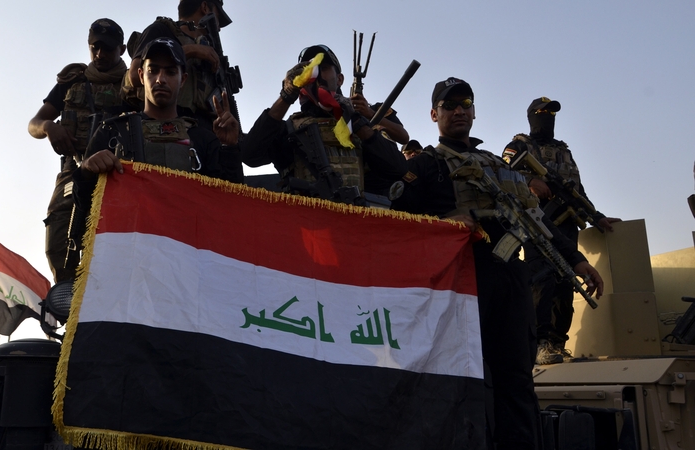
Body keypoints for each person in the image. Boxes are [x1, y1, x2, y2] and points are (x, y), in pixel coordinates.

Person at [387, 77, 604, 449]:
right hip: (461, 281)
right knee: (462, 377)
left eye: (465, 104)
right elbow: (393, 221)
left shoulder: (495, 164)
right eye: (449, 105)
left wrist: (576, 259)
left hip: (508, 278)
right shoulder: (426, 166)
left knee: (516, 378)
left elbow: (535, 216)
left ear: (474, 112)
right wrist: (443, 225)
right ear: (433, 114)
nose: (459, 111)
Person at [503, 97, 621, 365]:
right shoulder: (519, 145)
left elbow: (577, 191)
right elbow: (502, 174)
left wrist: (597, 217)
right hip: (537, 222)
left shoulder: (563, 151)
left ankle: (556, 343)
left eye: (551, 113)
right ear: (532, 116)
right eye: (542, 113)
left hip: (566, 224)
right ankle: (538, 344)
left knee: (566, 283)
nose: (547, 117)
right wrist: (530, 180)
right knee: (541, 280)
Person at [73, 37, 241, 218]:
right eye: (153, 71)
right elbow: (84, 207)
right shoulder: (112, 132)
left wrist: (228, 148)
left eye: (170, 72)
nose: (160, 79)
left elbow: (229, 204)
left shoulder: (202, 138)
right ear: (141, 75)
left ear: (182, 79)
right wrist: (86, 171)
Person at [28, 18, 128, 283]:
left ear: (122, 48)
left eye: (107, 48)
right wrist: (49, 126)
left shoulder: (135, 85)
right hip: (74, 171)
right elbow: (33, 124)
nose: (100, 54)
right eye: (95, 47)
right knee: (60, 242)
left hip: (118, 175)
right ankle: (68, 304)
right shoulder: (72, 81)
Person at [241, 44, 407, 203]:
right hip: (305, 225)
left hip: (352, 224)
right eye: (309, 69)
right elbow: (250, 156)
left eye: (324, 67)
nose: (316, 74)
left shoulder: (356, 125)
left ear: (340, 79)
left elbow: (397, 169)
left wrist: (354, 120)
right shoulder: (289, 129)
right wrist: (286, 95)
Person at [124, 0, 233, 128]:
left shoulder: (208, 52)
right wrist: (190, 51)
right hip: (161, 127)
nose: (219, 28)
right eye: (218, 18)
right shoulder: (161, 30)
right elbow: (134, 76)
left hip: (200, 131)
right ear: (204, 7)